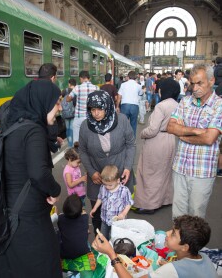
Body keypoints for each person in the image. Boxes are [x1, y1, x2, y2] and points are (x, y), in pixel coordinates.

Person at [0, 79, 62, 278]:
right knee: (43, 264)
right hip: (29, 218)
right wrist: (55, 191)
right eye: (57, 103)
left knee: (16, 265)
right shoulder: (33, 130)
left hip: (12, 212)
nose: (60, 108)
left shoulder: (13, 128)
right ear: (43, 102)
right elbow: (38, 173)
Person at [167, 63, 222, 219]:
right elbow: (170, 126)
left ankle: (193, 245)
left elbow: (209, 138)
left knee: (196, 216)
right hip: (180, 167)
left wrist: (183, 134)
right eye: (192, 83)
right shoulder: (185, 101)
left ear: (211, 81)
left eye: (200, 83)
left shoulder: (219, 105)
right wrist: (196, 131)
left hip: (202, 171)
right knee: (178, 215)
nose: (195, 87)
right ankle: (178, 244)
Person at [79, 90, 136, 234]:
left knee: (120, 213)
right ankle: (101, 242)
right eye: (92, 109)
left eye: (100, 109)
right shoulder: (85, 126)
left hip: (120, 173)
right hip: (97, 177)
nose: (96, 113)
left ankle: (118, 242)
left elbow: (130, 144)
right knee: (97, 214)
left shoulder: (122, 120)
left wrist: (128, 167)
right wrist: (92, 173)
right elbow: (83, 151)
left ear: (108, 107)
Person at [92, 215, 218, 278]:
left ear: (185, 247)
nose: (167, 234)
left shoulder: (172, 269)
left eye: (173, 234)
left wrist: (111, 253)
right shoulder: (204, 259)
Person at [134, 78, 180, 214]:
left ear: (164, 90)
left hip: (157, 140)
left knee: (150, 173)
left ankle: (149, 205)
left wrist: (142, 133)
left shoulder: (161, 106)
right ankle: (165, 199)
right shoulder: (177, 104)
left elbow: (153, 129)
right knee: (165, 172)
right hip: (171, 139)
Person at [90, 165, 133, 240]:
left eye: (110, 185)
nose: (107, 187)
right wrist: (95, 208)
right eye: (105, 184)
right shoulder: (103, 188)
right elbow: (100, 198)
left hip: (117, 222)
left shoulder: (124, 190)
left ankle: (114, 250)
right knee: (103, 237)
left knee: (115, 238)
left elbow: (128, 203)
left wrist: (123, 214)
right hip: (105, 219)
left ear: (118, 180)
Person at [66, 70, 99, 145]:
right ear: (89, 78)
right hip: (91, 117)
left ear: (81, 78)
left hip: (79, 118)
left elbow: (68, 99)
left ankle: (77, 152)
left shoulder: (77, 88)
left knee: (77, 140)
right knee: (92, 138)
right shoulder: (96, 88)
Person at [57, 194, 90, 259]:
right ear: (81, 210)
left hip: (65, 253)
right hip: (83, 252)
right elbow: (84, 213)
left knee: (58, 233)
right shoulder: (85, 218)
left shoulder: (60, 218)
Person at [117, 70, 142, 135]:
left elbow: (119, 96)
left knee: (123, 124)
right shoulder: (138, 86)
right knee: (133, 124)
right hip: (134, 106)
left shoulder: (123, 84)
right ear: (136, 77)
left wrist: (117, 106)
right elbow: (141, 94)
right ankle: (132, 141)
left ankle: (123, 139)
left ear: (128, 76)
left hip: (125, 106)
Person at [61, 78, 77, 147]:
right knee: (72, 129)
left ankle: (69, 144)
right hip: (73, 113)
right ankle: (72, 144)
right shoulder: (76, 91)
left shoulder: (65, 91)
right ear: (75, 84)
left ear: (69, 84)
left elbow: (60, 98)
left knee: (67, 129)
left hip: (66, 113)